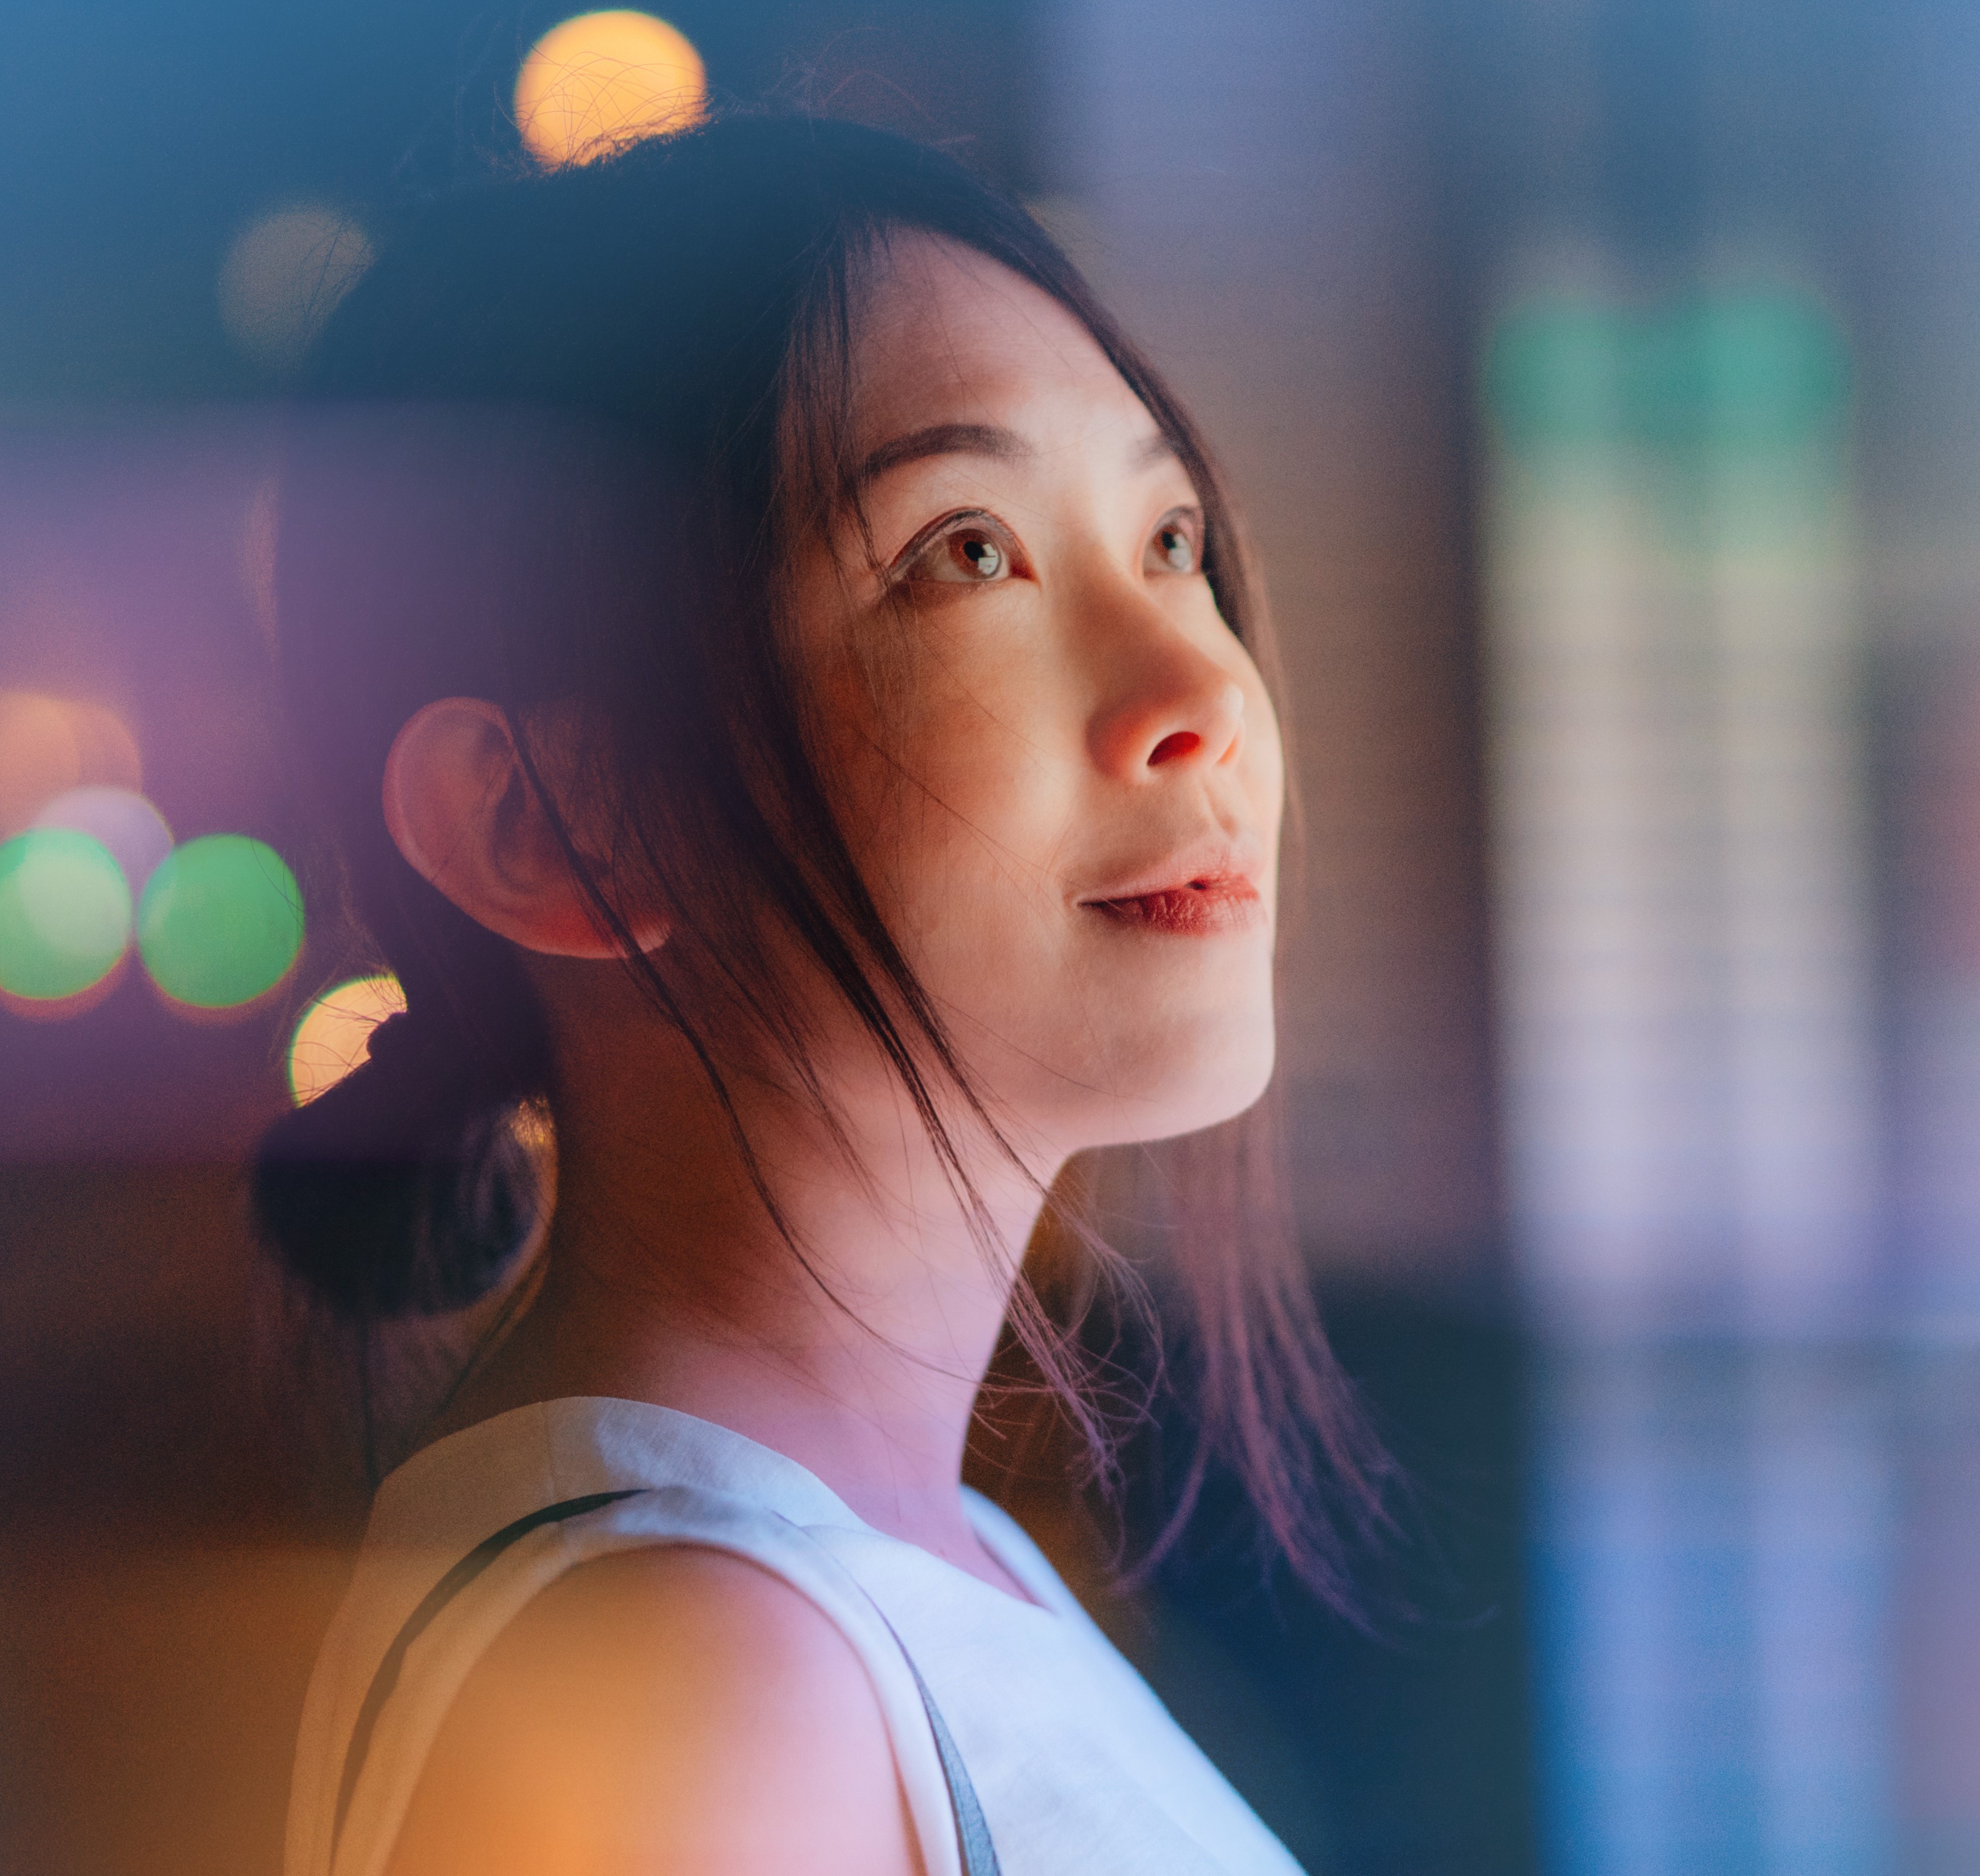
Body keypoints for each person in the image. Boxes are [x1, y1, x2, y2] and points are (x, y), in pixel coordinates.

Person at [251, 115, 1377, 1875]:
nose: (1200, 687)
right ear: (548, 822)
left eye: (1168, 538)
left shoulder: (886, 1580)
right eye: (968, 553)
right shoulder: (707, 1677)